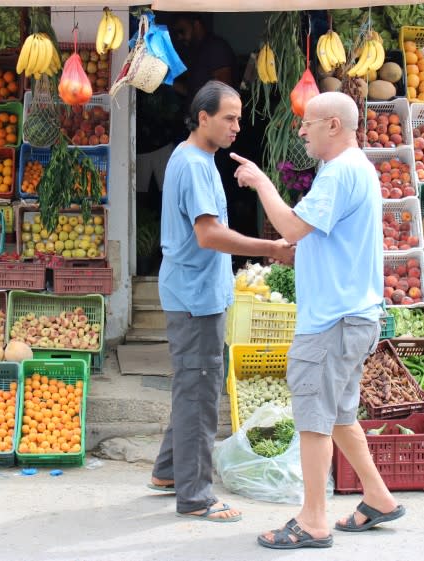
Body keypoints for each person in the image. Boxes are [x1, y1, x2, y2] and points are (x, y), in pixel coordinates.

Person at [230, 92, 405, 548]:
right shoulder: (355, 169)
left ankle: (312, 521)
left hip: (332, 321)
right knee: (341, 416)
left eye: (308, 123)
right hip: (353, 316)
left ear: (333, 124)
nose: (301, 131)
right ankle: (379, 497)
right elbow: (318, 238)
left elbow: (291, 227)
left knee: (313, 421)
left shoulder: (341, 171)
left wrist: (261, 182)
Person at [149, 80, 295, 523]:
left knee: (195, 385)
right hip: (194, 297)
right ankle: (196, 497)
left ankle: (169, 472)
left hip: (194, 290)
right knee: (199, 392)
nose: (237, 125)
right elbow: (208, 234)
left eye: (239, 117)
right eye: (229, 117)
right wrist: (270, 248)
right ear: (203, 117)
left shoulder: (194, 157)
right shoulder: (195, 166)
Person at [169, 13, 238, 103]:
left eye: (182, 31)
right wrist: (168, 81)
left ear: (196, 25)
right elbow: (191, 92)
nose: (179, 37)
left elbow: (223, 92)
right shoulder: (196, 51)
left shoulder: (215, 47)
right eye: (177, 33)